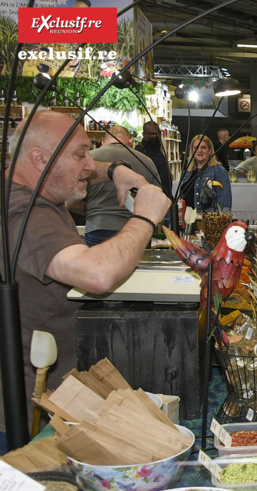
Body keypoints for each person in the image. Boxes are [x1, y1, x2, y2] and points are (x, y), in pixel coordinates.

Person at [2, 111, 170, 427]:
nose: (90, 164)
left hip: (52, 388)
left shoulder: (35, 191)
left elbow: (85, 169)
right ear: (39, 159)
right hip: (25, 407)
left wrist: (116, 170)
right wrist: (145, 218)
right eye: (81, 155)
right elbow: (98, 274)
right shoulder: (21, 210)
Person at [68, 125, 161, 246]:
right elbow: (157, 200)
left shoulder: (89, 159)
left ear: (103, 142)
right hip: (136, 231)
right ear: (131, 141)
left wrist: (94, 211)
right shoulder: (146, 161)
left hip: (99, 228)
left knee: (99, 264)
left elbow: (71, 203)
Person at [182, 135, 231, 212]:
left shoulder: (219, 171)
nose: (199, 150)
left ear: (210, 150)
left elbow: (224, 203)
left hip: (209, 221)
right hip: (188, 221)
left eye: (203, 147)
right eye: (196, 148)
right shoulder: (188, 172)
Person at [135, 121, 172, 201]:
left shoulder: (159, 150)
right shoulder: (141, 151)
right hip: (151, 200)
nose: (154, 136)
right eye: (150, 134)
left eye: (156, 134)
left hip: (165, 198)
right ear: (144, 134)